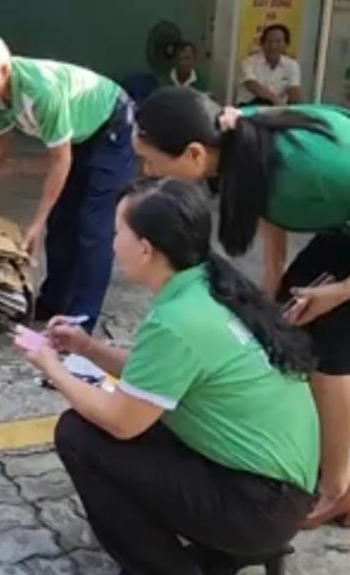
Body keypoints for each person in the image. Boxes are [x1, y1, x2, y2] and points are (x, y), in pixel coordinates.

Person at [132, 87, 350, 531]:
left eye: (151, 160)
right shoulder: (238, 134)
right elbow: (263, 193)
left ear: (195, 153)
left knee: (330, 354)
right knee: (286, 321)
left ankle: (336, 490)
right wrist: (275, 275)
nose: (147, 171)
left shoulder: (306, 165)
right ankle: (300, 450)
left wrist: (349, 288)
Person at [29, 178, 318, 575]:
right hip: (276, 490)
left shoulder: (177, 321)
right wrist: (86, 348)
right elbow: (157, 375)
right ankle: (219, 552)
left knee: (79, 436)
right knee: (138, 424)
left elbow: (120, 421)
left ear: (145, 248)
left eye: (117, 233)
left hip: (257, 505)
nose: (113, 243)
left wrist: (53, 369)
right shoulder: (209, 287)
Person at [0, 32, 135, 328]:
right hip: (78, 131)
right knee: (62, 221)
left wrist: (35, 223)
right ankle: (53, 303)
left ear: (3, 70)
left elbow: (59, 160)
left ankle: (81, 319)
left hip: (110, 125)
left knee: (92, 224)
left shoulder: (40, 92)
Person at [236, 24, 304, 106]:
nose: (273, 46)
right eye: (269, 41)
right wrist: (276, 101)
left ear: (286, 44)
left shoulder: (292, 65)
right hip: (250, 107)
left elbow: (294, 89)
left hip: (276, 111)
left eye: (278, 42)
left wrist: (298, 105)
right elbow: (252, 85)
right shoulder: (248, 62)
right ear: (262, 44)